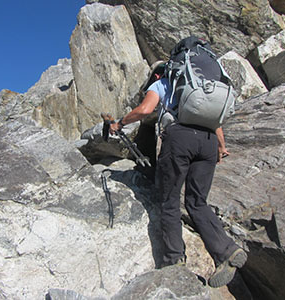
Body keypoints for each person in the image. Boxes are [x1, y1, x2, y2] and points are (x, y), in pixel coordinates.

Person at [110, 41, 247, 288]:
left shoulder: (165, 81)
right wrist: (221, 146)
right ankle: (227, 251)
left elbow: (144, 110)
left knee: (169, 199)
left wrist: (120, 123)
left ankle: (174, 261)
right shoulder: (200, 84)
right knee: (197, 202)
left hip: (180, 139)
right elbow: (213, 121)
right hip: (207, 142)